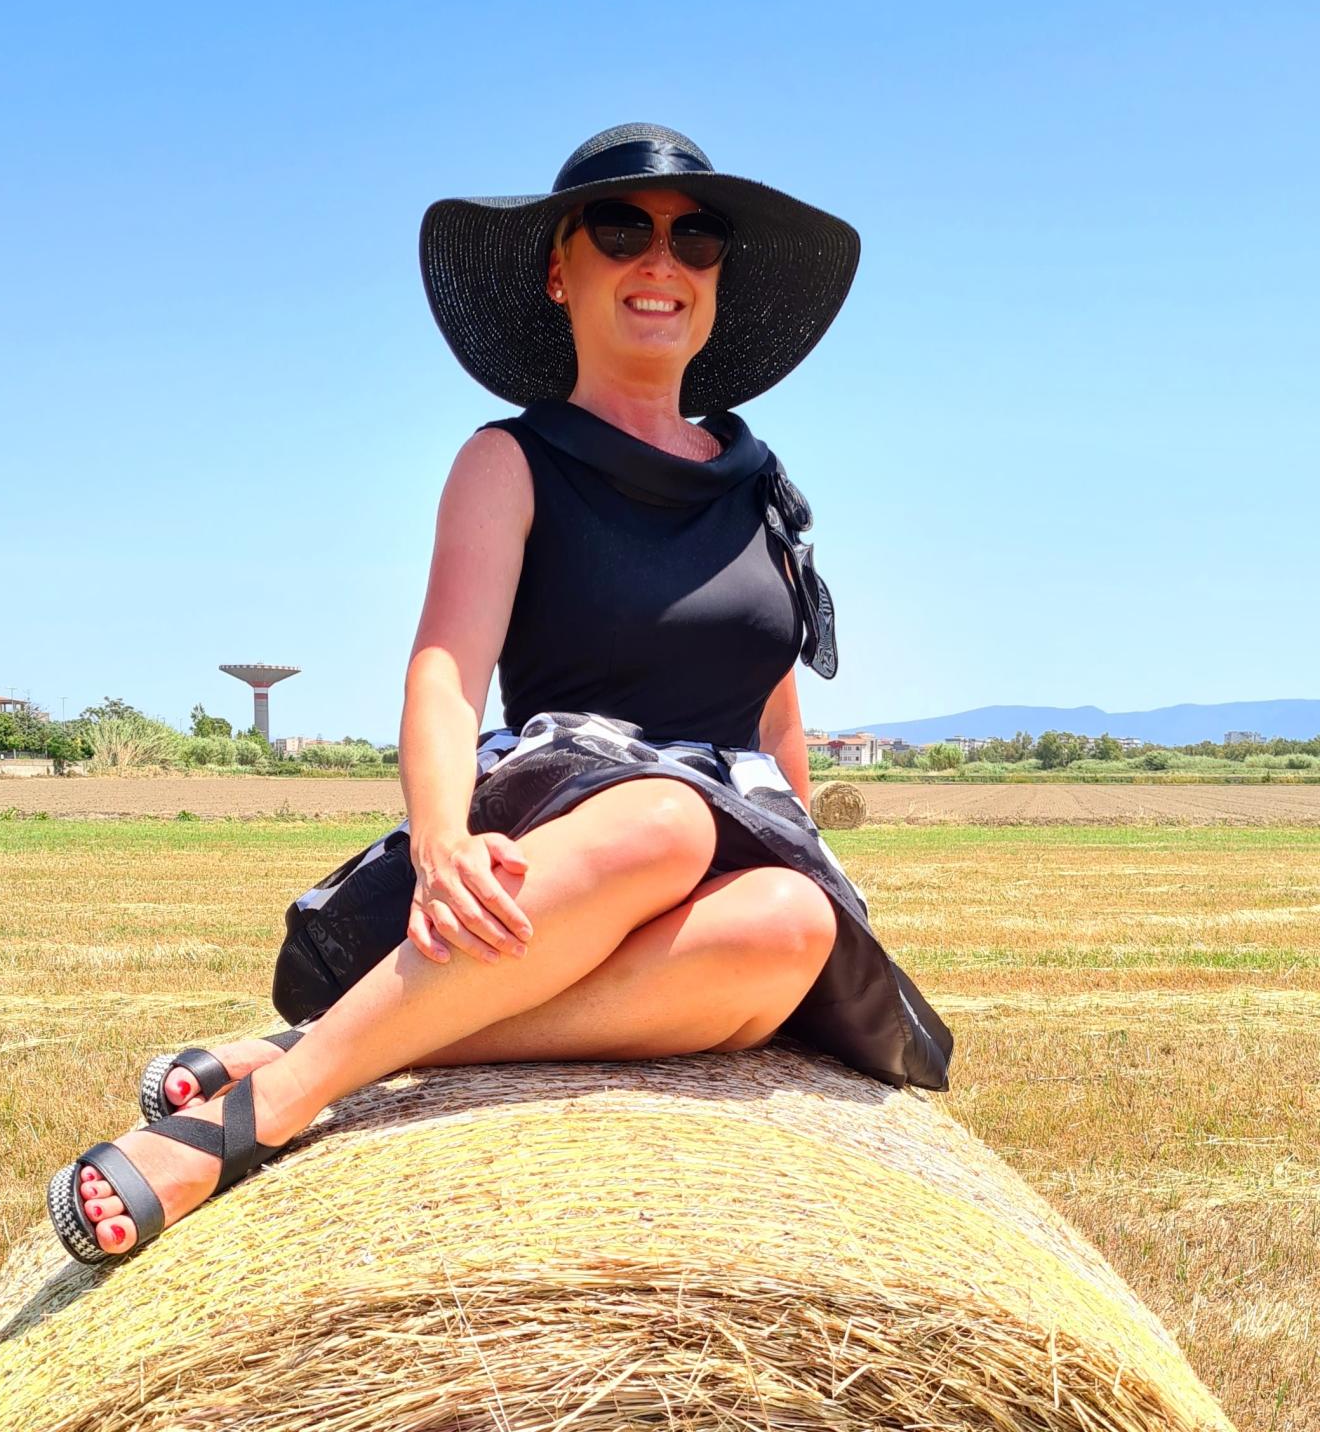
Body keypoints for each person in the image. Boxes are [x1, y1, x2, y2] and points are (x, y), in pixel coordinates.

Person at [49, 123, 953, 1265]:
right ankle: (260, 1116)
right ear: (559, 272)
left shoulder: (760, 487)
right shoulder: (511, 461)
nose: (661, 260)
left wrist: (805, 841)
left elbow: (773, 710)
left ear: (718, 278)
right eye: (620, 230)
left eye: (695, 238)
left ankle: (326, 1050)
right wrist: (440, 841)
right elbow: (444, 667)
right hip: (575, 825)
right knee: (667, 820)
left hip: (723, 850)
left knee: (793, 924)